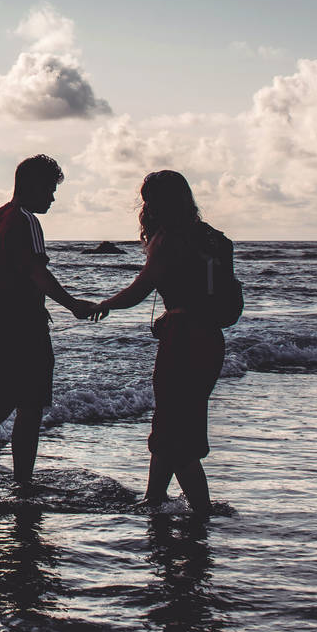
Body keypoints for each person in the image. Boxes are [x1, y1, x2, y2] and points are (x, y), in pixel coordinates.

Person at [0, 154, 102, 492]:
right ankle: (22, 482)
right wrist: (73, 305)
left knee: (0, 402)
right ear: (31, 185)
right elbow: (36, 272)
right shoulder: (25, 220)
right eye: (49, 189)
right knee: (30, 407)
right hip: (23, 326)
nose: (52, 197)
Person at [94, 170, 230, 511]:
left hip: (182, 342)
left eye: (151, 200)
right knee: (177, 425)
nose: (148, 208)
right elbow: (205, 295)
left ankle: (202, 512)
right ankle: (153, 499)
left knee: (173, 432)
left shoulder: (169, 238)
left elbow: (140, 289)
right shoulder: (215, 239)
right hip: (211, 341)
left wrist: (102, 305)